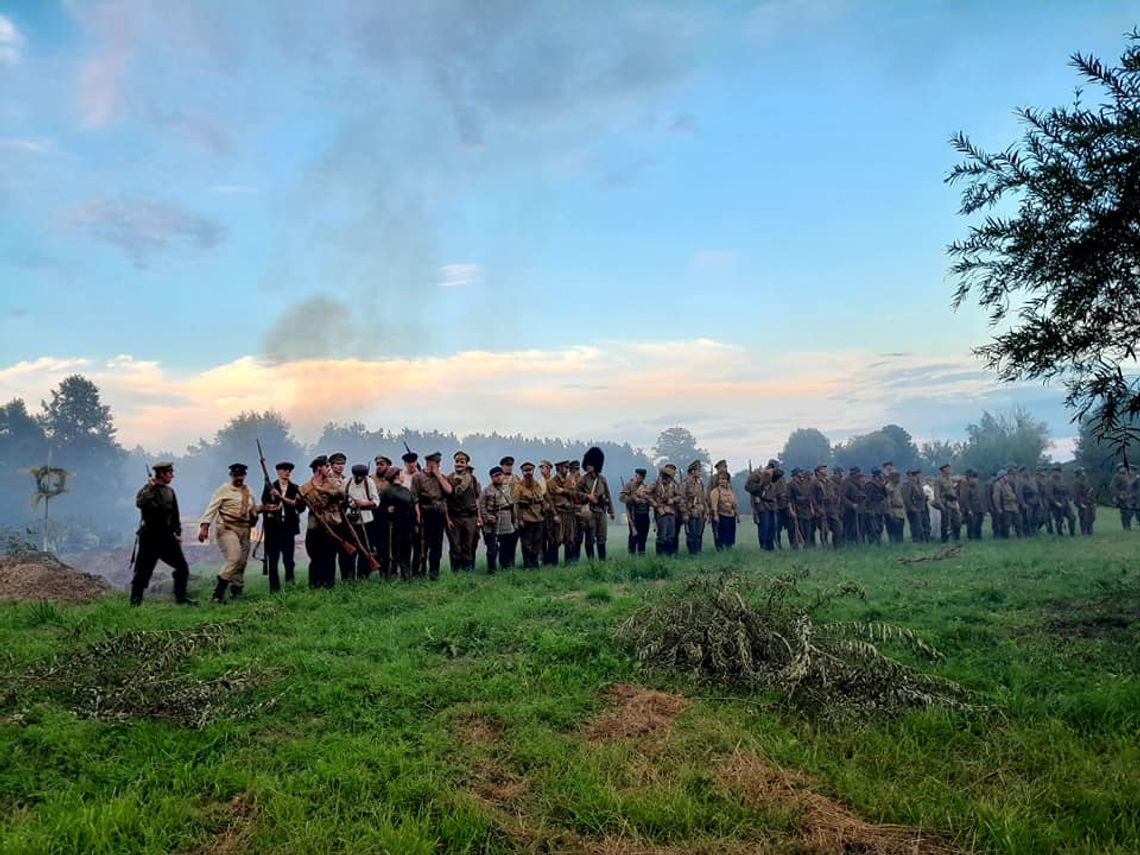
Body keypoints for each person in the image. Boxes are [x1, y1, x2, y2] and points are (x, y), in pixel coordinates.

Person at [130, 461, 195, 606]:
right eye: (170, 473)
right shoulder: (146, 490)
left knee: (182, 568)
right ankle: (135, 603)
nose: (172, 476)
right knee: (143, 572)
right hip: (149, 536)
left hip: (166, 536)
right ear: (162, 474)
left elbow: (175, 515)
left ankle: (181, 599)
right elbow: (140, 503)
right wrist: (150, 487)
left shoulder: (169, 492)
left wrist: (178, 533)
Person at [198, 463, 261, 603]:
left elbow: (253, 509)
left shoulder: (248, 491)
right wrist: (204, 526)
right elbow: (212, 508)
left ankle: (237, 592)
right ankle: (218, 593)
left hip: (244, 529)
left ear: (244, 476)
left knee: (242, 562)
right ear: (231, 475)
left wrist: (265, 509)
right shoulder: (224, 490)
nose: (239, 478)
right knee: (234, 557)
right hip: (227, 528)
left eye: (241, 475)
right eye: (236, 475)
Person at [298, 455, 344, 588]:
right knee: (315, 558)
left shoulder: (331, 483)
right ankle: (315, 586)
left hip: (332, 525)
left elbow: (342, 495)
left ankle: (329, 585)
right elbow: (299, 508)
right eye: (326, 466)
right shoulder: (305, 488)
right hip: (315, 527)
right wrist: (299, 500)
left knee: (330, 557)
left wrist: (326, 491)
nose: (329, 469)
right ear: (319, 468)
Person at [261, 461, 302, 591]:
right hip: (273, 529)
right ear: (278, 471)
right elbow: (264, 505)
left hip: (288, 527)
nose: (287, 472)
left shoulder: (295, 488)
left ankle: (290, 586)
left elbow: (300, 507)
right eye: (284, 470)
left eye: (289, 470)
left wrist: (282, 498)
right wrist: (271, 504)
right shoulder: (270, 487)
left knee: (289, 561)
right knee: (273, 561)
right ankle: (274, 589)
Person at [411, 452, 452, 579]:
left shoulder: (441, 477)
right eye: (436, 463)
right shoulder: (418, 477)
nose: (438, 465)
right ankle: (419, 574)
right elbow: (414, 498)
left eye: (439, 463)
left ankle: (434, 574)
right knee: (422, 547)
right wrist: (418, 514)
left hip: (438, 514)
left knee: (437, 547)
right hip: (425, 513)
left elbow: (449, 491)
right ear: (429, 463)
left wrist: (438, 475)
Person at [446, 451, 482, 572]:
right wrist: (448, 518)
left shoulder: (472, 479)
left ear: (467, 464)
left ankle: (468, 572)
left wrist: (479, 517)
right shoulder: (449, 478)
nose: (459, 464)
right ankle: (455, 573)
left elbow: (477, 498)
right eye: (457, 462)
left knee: (469, 545)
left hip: (470, 517)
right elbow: (445, 500)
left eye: (462, 462)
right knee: (455, 546)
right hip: (455, 517)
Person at [578, 447, 615, 560]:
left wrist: (611, 511)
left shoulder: (602, 479)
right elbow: (576, 493)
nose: (588, 466)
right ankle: (591, 562)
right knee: (590, 538)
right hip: (590, 512)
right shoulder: (583, 480)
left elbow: (608, 495)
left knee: (602, 537)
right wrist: (587, 496)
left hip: (601, 511)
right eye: (587, 464)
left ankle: (602, 561)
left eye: (591, 464)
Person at [378, 467, 416, 580]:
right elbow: (380, 509)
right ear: (396, 476)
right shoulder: (386, 491)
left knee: (406, 551)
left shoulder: (406, 490)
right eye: (401, 474)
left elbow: (412, 505)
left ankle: (405, 575)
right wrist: (386, 510)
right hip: (393, 526)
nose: (403, 475)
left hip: (406, 525)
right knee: (394, 552)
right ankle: (392, 575)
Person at [345, 463, 379, 579]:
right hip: (350, 521)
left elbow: (376, 501)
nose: (360, 478)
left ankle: (362, 577)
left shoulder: (369, 482)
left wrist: (364, 503)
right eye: (358, 476)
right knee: (349, 551)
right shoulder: (347, 482)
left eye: (362, 476)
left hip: (366, 521)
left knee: (365, 551)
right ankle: (349, 578)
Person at [480, 466, 516, 574]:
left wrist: (514, 519)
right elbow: (482, 507)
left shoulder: (508, 488)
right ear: (491, 478)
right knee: (492, 548)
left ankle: (506, 567)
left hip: (506, 517)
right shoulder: (486, 491)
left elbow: (513, 504)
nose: (498, 478)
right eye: (495, 476)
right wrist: (487, 517)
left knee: (506, 545)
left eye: (500, 475)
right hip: (493, 520)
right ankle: (492, 570)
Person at [514, 462, 546, 568]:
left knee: (538, 541)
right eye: (525, 471)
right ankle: (527, 564)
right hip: (526, 516)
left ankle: (535, 561)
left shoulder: (537, 484)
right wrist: (519, 519)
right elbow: (517, 504)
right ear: (522, 472)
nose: (528, 473)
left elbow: (541, 500)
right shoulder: (519, 486)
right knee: (526, 542)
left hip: (538, 517)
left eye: (530, 470)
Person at [547, 460, 577, 564]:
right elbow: (550, 500)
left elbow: (575, 494)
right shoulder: (551, 482)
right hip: (559, 512)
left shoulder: (570, 480)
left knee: (570, 539)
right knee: (557, 539)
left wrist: (564, 491)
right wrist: (554, 514)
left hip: (569, 512)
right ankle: (553, 563)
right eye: (565, 467)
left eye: (567, 467)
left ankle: (569, 563)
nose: (567, 469)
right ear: (559, 468)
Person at [745, 459, 778, 551]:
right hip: (761, 504)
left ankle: (770, 546)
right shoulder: (756, 475)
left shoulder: (773, 476)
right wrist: (761, 484)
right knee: (764, 526)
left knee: (772, 527)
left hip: (771, 504)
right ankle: (763, 546)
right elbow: (748, 487)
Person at [648, 464, 680, 555]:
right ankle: (660, 555)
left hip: (671, 511)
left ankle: (669, 555)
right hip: (660, 511)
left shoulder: (674, 485)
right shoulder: (656, 484)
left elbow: (679, 496)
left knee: (671, 535)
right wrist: (653, 503)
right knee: (662, 535)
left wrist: (672, 500)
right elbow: (646, 493)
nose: (669, 479)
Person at [400, 451, 423, 575]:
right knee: (405, 545)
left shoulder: (421, 475)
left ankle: (417, 571)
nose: (412, 465)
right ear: (405, 463)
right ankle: (405, 571)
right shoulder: (400, 476)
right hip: (404, 514)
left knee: (418, 545)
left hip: (419, 513)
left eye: (413, 462)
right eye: (409, 462)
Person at [619, 468, 652, 554]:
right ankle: (632, 555)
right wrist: (633, 498)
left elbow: (651, 499)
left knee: (643, 536)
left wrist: (647, 499)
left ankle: (642, 554)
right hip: (634, 514)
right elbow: (622, 498)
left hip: (644, 514)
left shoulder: (645, 487)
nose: (640, 479)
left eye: (642, 478)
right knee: (634, 536)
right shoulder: (629, 486)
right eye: (639, 477)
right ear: (636, 475)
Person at [679, 460, 709, 554]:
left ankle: (698, 552)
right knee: (691, 534)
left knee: (699, 534)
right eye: (698, 470)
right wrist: (685, 513)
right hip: (691, 512)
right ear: (692, 471)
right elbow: (682, 499)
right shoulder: (686, 483)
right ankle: (692, 553)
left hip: (700, 511)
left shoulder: (700, 483)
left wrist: (706, 512)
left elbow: (704, 498)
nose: (700, 473)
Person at [497, 456, 520, 566]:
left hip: (515, 510)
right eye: (506, 465)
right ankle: (503, 563)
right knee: (503, 540)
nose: (508, 467)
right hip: (503, 511)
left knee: (513, 539)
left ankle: (512, 563)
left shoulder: (516, 478)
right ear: (502, 466)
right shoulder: (498, 478)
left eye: (510, 465)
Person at [707, 471, 739, 550]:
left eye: (724, 479)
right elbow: (714, 505)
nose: (722, 481)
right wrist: (715, 515)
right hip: (721, 515)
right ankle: (720, 548)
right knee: (721, 534)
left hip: (730, 515)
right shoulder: (716, 491)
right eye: (721, 479)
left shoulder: (730, 491)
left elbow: (734, 504)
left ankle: (729, 547)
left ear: (728, 481)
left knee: (730, 533)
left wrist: (737, 515)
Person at [538, 460, 560, 566]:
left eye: (544, 468)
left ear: (549, 469)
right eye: (541, 468)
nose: (542, 470)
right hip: (543, 514)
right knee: (543, 538)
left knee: (554, 538)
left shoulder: (553, 481)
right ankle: (544, 560)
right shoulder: (539, 482)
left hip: (554, 512)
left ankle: (553, 561)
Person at [936, 464, 961, 542]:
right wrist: (940, 504)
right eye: (947, 468)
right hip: (945, 503)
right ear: (943, 470)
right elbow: (936, 494)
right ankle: (944, 539)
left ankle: (956, 537)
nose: (949, 469)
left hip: (953, 502)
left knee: (957, 520)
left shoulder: (950, 479)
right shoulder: (939, 480)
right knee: (945, 522)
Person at [1049, 465, 1077, 536]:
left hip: (1065, 501)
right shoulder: (1050, 481)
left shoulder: (1062, 480)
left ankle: (1072, 533)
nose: (1058, 473)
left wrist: (1069, 499)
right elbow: (1049, 494)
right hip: (1056, 503)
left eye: (1059, 472)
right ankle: (1060, 533)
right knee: (1059, 520)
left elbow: (1067, 491)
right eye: (1056, 471)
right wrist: (1056, 503)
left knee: (1072, 517)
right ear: (1053, 472)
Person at [902, 469, 928, 543]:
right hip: (914, 508)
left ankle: (925, 539)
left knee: (925, 524)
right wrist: (912, 508)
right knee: (916, 526)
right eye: (917, 476)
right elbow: (906, 498)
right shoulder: (908, 485)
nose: (918, 477)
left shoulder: (919, 485)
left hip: (922, 507)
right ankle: (917, 540)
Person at [958, 469, 983, 541]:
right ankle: (971, 537)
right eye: (974, 478)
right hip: (971, 509)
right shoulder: (965, 487)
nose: (976, 480)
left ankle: (978, 537)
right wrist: (969, 509)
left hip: (979, 508)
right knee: (971, 525)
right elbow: (965, 499)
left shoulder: (977, 486)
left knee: (979, 524)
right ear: (969, 478)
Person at [1073, 466, 1097, 535]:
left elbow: (1091, 492)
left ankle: (1089, 529)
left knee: (1092, 517)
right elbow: (1076, 494)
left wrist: (1094, 501)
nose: (1084, 473)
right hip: (1082, 501)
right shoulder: (1076, 482)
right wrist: (1080, 503)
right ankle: (1084, 531)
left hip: (1090, 501)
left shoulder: (1086, 481)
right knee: (1084, 517)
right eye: (1082, 472)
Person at [1111, 463, 1134, 530]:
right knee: (1124, 512)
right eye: (1121, 467)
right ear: (1118, 469)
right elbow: (1112, 486)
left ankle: (1128, 525)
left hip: (1129, 496)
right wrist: (1119, 494)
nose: (1123, 468)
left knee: (1130, 512)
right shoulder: (1117, 476)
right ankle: (1126, 526)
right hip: (1122, 497)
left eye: (1124, 467)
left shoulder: (1128, 476)